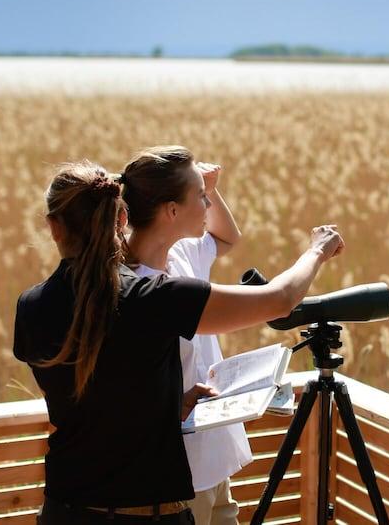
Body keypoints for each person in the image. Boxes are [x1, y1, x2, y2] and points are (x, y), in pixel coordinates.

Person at [13, 160, 344, 524]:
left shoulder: (31, 307)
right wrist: (317, 251)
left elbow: (91, 403)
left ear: (53, 226)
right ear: (121, 221)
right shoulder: (155, 297)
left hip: (66, 511)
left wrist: (171, 403)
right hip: (148, 513)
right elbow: (280, 299)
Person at [120, 146, 246, 525]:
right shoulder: (129, 289)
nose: (208, 203)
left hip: (216, 453)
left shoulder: (182, 255)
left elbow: (227, 237)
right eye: (201, 198)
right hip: (179, 471)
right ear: (171, 211)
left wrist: (211, 187)